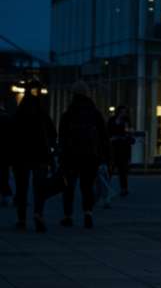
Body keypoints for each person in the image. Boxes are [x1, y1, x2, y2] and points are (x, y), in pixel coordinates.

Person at [59, 82, 110, 229]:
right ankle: (88, 214)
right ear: (88, 94)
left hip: (71, 156)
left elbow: (62, 135)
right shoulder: (95, 113)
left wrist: (61, 155)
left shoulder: (69, 112)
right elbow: (104, 136)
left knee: (69, 186)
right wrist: (104, 156)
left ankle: (68, 216)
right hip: (91, 156)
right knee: (87, 186)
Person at [10, 87, 56, 232]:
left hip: (21, 157)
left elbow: (11, 136)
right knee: (39, 188)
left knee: (22, 189)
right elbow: (53, 134)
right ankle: (38, 213)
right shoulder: (42, 114)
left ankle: (21, 219)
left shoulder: (19, 114)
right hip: (40, 156)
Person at [108, 106, 134, 196]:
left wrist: (125, 136)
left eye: (125, 112)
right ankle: (106, 186)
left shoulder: (126, 121)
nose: (123, 113)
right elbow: (108, 131)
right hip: (113, 147)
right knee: (110, 168)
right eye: (122, 111)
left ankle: (124, 188)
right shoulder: (112, 120)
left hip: (123, 147)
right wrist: (111, 138)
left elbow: (129, 133)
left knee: (123, 169)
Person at [0, 91, 16, 206]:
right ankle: (6, 195)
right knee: (4, 174)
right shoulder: (7, 118)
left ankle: (6, 194)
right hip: (5, 152)